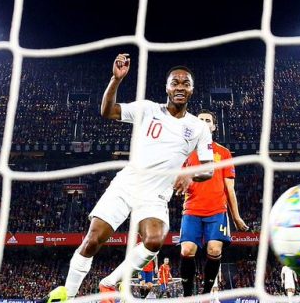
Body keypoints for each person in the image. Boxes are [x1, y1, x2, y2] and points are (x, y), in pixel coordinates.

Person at [60, 54, 215, 302]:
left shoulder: (199, 127)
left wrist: (189, 174)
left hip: (155, 195)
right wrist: (116, 79)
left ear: (192, 90)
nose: (180, 87)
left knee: (154, 240)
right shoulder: (148, 109)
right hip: (126, 185)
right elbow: (107, 111)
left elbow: (209, 169)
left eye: (185, 84)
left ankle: (109, 283)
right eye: (175, 83)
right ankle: (67, 295)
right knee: (92, 241)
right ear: (167, 87)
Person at [178, 109, 248, 296]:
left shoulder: (223, 153)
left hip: (217, 211)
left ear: (214, 127)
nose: (203, 122)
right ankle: (187, 295)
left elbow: (229, 188)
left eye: (207, 120)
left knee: (215, 250)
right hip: (192, 210)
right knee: (187, 250)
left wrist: (236, 217)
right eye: (200, 119)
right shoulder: (185, 152)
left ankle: (206, 293)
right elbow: (176, 179)